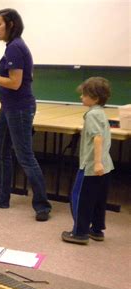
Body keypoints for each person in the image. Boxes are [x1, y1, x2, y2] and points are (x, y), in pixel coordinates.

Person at [0, 8, 51, 221]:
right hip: (9, 107)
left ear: (11, 25)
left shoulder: (15, 48)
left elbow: (15, 82)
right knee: (0, 152)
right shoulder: (14, 47)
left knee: (25, 157)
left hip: (19, 109)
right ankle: (1, 197)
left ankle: (42, 205)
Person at [61, 77, 114, 245]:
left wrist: (96, 162)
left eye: (84, 95)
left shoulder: (92, 115)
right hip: (105, 166)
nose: (81, 97)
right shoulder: (102, 113)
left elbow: (97, 138)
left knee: (80, 199)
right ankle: (96, 230)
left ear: (95, 98)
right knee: (98, 200)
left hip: (91, 166)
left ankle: (80, 233)